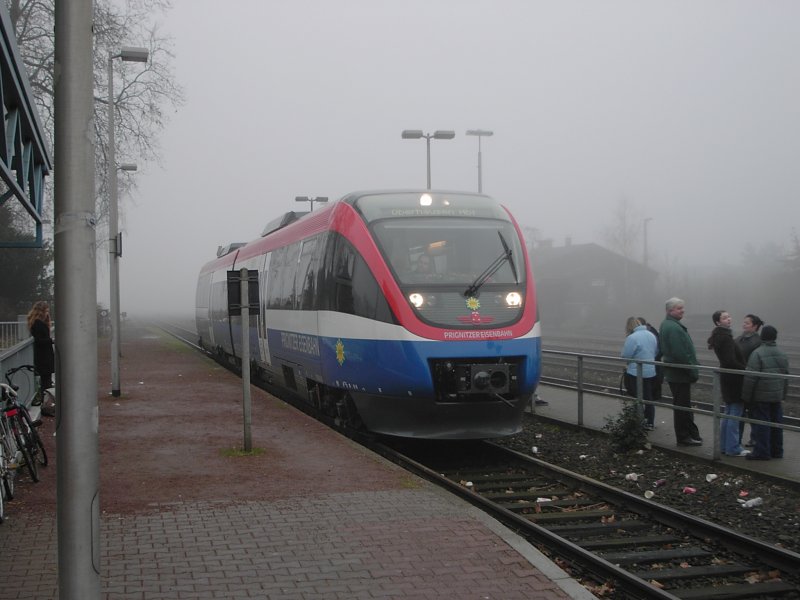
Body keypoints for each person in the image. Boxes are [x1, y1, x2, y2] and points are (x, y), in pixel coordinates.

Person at [659, 297, 702, 446]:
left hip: (676, 373)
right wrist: (693, 370)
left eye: (682, 308)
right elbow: (680, 353)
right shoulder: (673, 327)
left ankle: (691, 433)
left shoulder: (669, 325)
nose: (682, 310)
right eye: (679, 308)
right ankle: (684, 437)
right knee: (682, 406)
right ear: (670, 310)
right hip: (679, 373)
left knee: (683, 405)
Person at [741, 325, 788, 461]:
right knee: (777, 423)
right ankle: (777, 451)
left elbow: (750, 378)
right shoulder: (782, 353)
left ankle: (762, 452)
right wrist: (783, 395)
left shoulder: (757, 353)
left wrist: (746, 397)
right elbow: (786, 376)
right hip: (776, 396)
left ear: (762, 337)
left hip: (761, 396)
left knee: (762, 424)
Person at [706, 310, 748, 456]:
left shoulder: (719, 336)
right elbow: (730, 360)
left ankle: (724, 445)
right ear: (718, 322)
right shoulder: (726, 337)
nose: (729, 319)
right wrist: (745, 369)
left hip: (726, 377)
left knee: (728, 412)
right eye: (724, 318)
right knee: (734, 413)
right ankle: (733, 448)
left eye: (729, 316)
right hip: (734, 379)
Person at [620, 317, 658, 429]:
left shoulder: (632, 337)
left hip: (635, 372)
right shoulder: (651, 335)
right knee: (648, 397)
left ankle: (638, 421)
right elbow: (655, 351)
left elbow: (626, 355)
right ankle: (650, 422)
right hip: (650, 371)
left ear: (629, 326)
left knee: (637, 397)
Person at [735, 313, 764, 447]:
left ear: (755, 326)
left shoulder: (757, 342)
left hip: (751, 382)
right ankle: (737, 439)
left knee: (753, 413)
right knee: (741, 412)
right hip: (740, 380)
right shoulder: (740, 338)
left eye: (747, 323)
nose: (744, 325)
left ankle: (756, 438)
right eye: (744, 322)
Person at [637, 316, 664, 425]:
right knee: (648, 396)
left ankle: (647, 421)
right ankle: (647, 420)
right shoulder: (653, 332)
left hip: (650, 368)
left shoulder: (649, 334)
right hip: (653, 367)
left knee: (647, 395)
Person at [27, 301, 55, 391]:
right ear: (41, 312)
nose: (47, 313)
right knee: (46, 383)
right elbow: (39, 340)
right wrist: (52, 340)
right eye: (46, 311)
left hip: (43, 356)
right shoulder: (38, 324)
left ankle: (46, 401)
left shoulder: (36, 323)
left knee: (46, 381)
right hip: (44, 357)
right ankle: (46, 401)